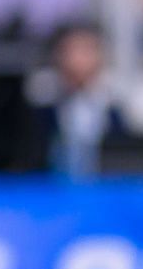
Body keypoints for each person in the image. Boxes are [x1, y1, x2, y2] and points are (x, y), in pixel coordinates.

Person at [24, 23, 130, 178]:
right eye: (71, 50)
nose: (78, 59)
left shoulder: (113, 113)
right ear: (58, 55)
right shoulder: (40, 111)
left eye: (87, 50)